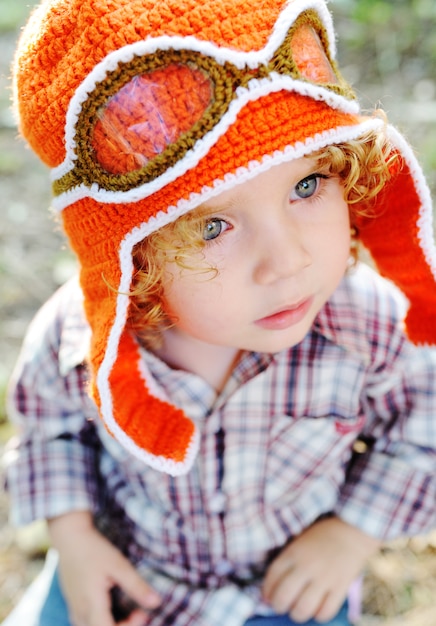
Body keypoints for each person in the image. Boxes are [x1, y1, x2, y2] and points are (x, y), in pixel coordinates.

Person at [3, 0, 436, 624]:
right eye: (213, 224)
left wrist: (351, 535)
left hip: (285, 590)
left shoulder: (368, 327)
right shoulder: (76, 339)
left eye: (307, 186)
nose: (286, 261)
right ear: (133, 260)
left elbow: (421, 429)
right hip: (131, 579)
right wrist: (73, 539)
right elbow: (50, 428)